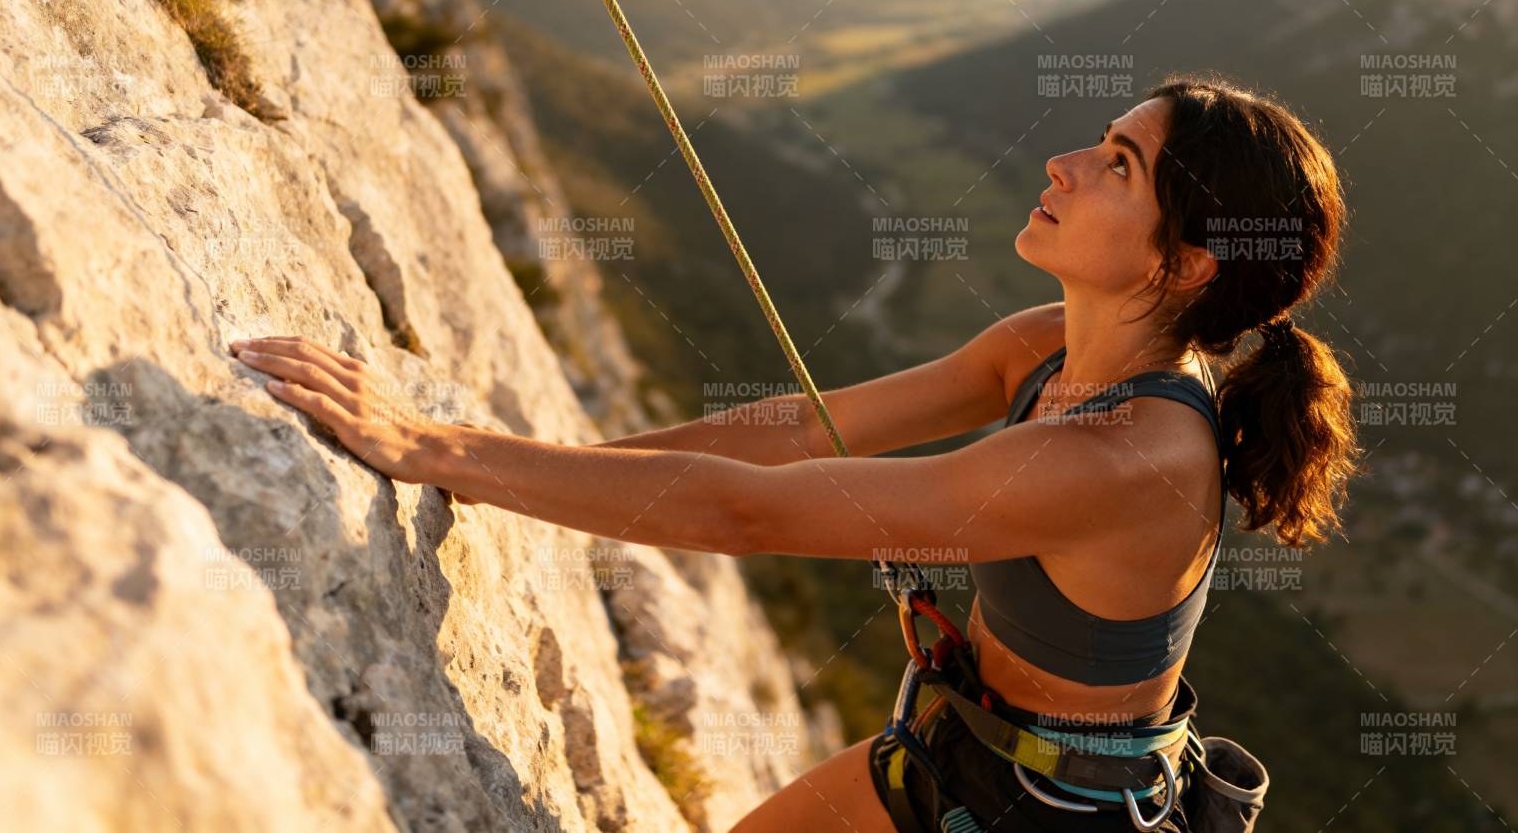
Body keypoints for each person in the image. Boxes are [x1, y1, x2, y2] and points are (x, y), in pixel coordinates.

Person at [229, 73, 1363, 832]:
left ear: (1187, 262)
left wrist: (439, 447)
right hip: (960, 752)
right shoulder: (1044, 348)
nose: (1063, 161)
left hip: (1048, 812)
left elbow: (748, 513)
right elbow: (796, 429)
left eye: (1118, 164)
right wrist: (554, 463)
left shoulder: (1125, 459)